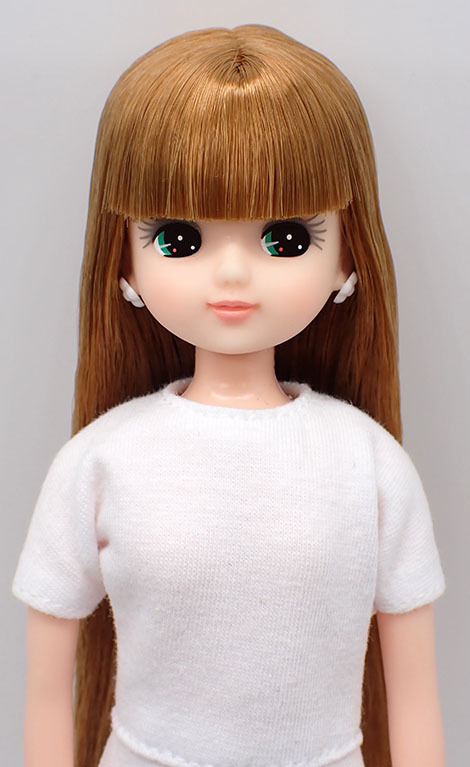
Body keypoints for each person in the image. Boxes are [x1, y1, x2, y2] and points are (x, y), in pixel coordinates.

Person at [12, 25, 446, 767]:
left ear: (349, 254)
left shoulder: (368, 464)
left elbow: (413, 699)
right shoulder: (101, 462)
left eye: (287, 238)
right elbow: (48, 696)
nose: (234, 274)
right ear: (123, 259)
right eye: (179, 239)